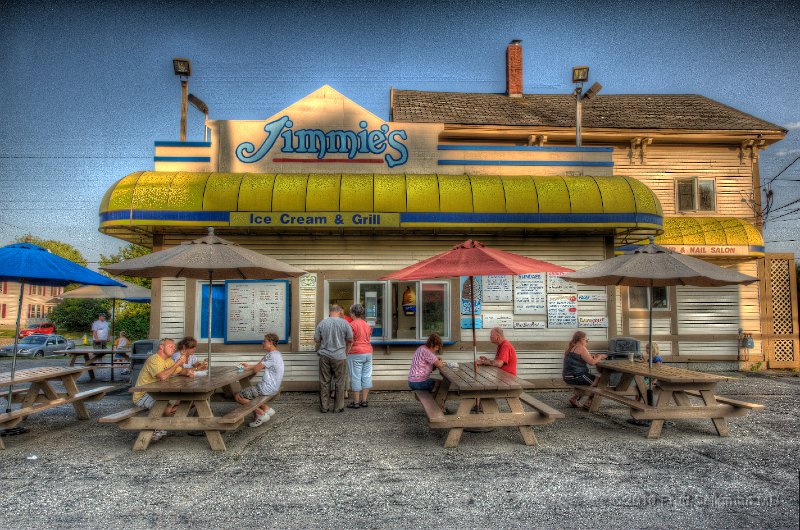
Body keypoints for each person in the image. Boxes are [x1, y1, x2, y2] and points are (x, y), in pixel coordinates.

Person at [132, 338, 195, 442]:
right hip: (143, 394)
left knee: (188, 401)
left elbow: (180, 371)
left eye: (174, 347)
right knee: (167, 408)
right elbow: (162, 376)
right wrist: (178, 363)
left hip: (160, 393)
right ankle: (156, 428)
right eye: (170, 346)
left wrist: (188, 372)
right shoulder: (154, 359)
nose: (173, 349)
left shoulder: (168, 360)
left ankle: (161, 423)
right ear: (161, 347)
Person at [234, 333, 284, 427]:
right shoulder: (276, 354)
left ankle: (260, 414)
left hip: (267, 388)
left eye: (264, 341)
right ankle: (266, 408)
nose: (262, 343)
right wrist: (248, 367)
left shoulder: (270, 356)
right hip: (274, 387)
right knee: (251, 393)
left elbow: (257, 369)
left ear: (271, 342)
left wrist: (256, 364)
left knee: (238, 396)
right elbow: (260, 366)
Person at [314, 304, 353, 413]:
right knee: (339, 382)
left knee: (324, 382)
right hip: (340, 356)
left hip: (325, 355)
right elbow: (350, 338)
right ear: (339, 312)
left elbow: (316, 339)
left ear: (330, 312)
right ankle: (338, 407)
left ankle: (324, 407)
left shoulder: (322, 323)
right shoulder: (344, 323)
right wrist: (346, 350)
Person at [562, 331, 607, 409]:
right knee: (601, 382)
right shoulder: (581, 348)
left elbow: (580, 359)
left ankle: (574, 398)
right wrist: (600, 357)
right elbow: (592, 363)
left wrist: (592, 357)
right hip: (577, 376)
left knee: (589, 382)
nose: (587, 342)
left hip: (567, 377)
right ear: (581, 339)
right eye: (586, 340)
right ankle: (588, 402)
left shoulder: (571, 348)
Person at [346, 304, 373, 409]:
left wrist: (347, 352)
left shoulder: (351, 325)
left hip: (356, 352)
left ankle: (356, 402)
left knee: (356, 376)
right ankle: (364, 401)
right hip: (368, 352)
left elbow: (349, 340)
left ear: (352, 313)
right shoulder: (366, 324)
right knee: (366, 375)